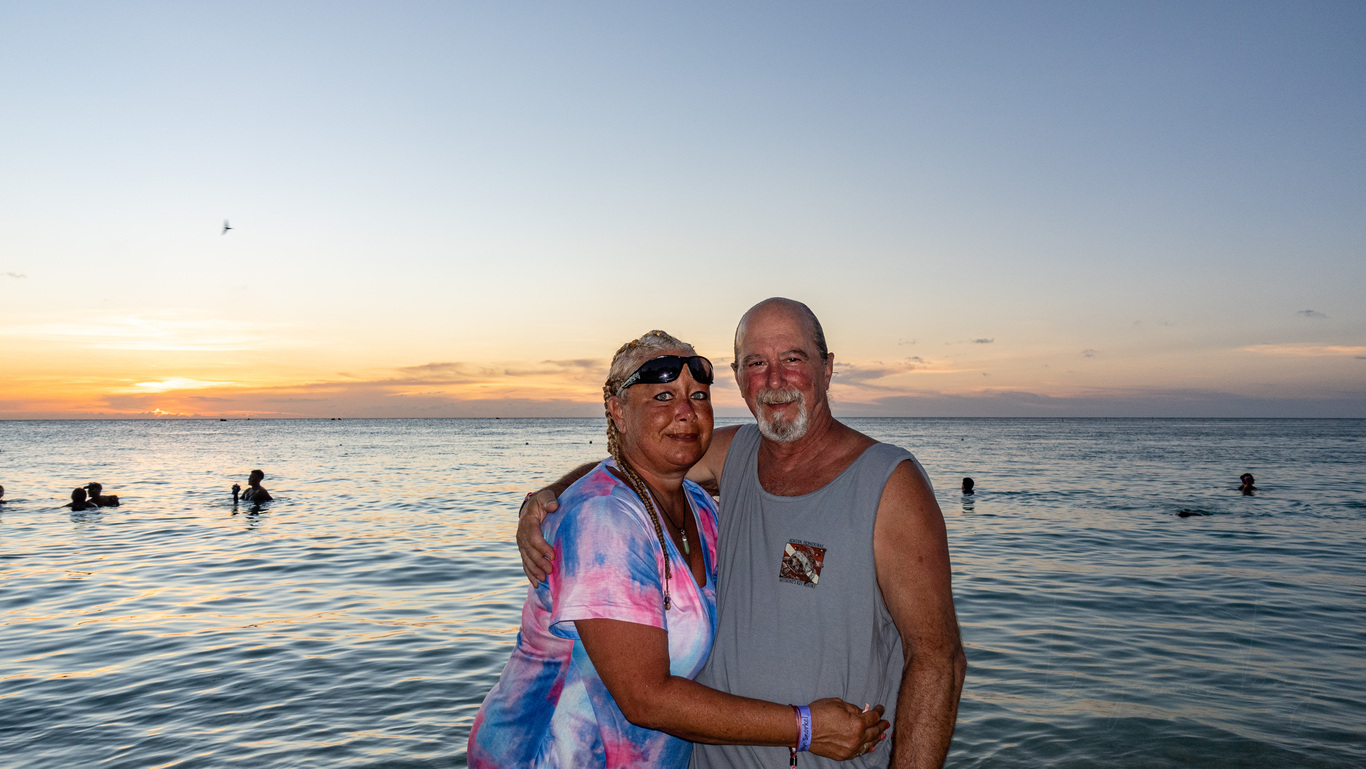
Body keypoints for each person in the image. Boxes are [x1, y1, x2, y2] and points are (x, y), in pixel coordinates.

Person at [520, 298, 966, 769]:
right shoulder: (733, 454)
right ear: (737, 376)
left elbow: (938, 660)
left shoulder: (889, 484)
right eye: (756, 363)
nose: (774, 380)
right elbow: (638, 463)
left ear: (827, 368)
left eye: (792, 359)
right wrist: (549, 495)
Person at [470, 330, 887, 769]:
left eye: (698, 396)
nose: (686, 412)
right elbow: (645, 699)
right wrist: (806, 727)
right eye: (663, 396)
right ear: (618, 412)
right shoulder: (603, 519)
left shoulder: (701, 507)